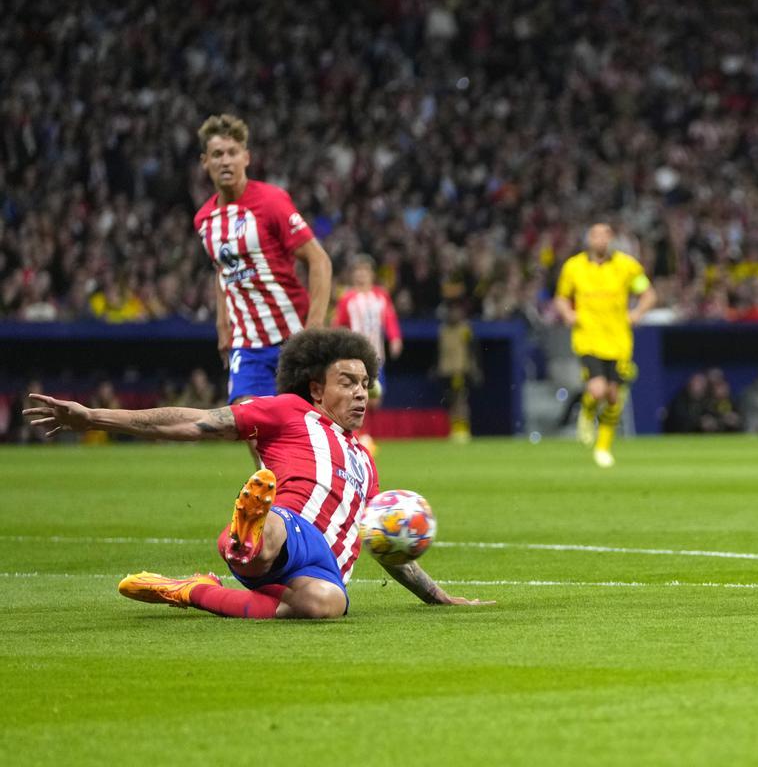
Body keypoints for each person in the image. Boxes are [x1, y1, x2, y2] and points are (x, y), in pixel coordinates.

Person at [23, 329, 492, 618]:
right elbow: (197, 421)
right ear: (315, 388)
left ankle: (195, 590)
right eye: (347, 382)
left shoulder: (366, 462)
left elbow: (382, 541)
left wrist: (438, 597)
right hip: (289, 529)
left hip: (320, 572)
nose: (361, 393)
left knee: (327, 606)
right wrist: (97, 418)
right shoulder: (289, 412)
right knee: (275, 527)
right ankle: (249, 530)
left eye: (365, 384)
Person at [194, 114, 332, 463]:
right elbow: (222, 270)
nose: (225, 160)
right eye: (217, 154)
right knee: (249, 427)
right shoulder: (204, 220)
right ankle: (275, 502)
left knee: (315, 432)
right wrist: (223, 324)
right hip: (248, 345)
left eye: (232, 152)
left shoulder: (271, 202)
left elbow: (319, 261)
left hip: (293, 336)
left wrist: (313, 330)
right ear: (204, 162)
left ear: (246, 157)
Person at [553, 223, 656, 467]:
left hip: (618, 341)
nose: (600, 240)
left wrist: (638, 313)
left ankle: (603, 447)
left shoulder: (626, 266)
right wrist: (567, 313)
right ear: (588, 238)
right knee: (598, 389)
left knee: (613, 396)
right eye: (595, 235)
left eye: (605, 235)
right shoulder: (574, 267)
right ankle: (587, 412)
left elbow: (648, 294)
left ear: (611, 238)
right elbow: (561, 297)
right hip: (588, 338)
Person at [332, 254, 403, 411]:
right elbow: (338, 325)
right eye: (357, 270)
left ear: (372, 274)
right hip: (354, 357)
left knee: (375, 399)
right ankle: (360, 434)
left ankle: (366, 432)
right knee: (357, 396)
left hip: (377, 355)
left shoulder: (381, 296)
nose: (361, 274)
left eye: (364, 270)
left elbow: (390, 319)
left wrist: (395, 338)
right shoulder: (347, 298)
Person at [436, 298, 480, 443]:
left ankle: (464, 430)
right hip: (446, 371)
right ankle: (454, 430)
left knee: (461, 400)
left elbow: (472, 350)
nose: (454, 314)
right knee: (450, 402)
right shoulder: (443, 330)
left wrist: (474, 368)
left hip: (460, 370)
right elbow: (439, 351)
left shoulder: (465, 329)